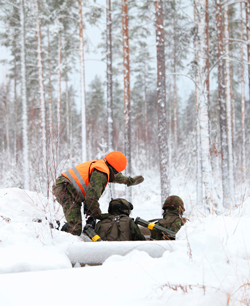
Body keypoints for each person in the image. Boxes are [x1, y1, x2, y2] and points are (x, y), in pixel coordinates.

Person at [52, 151, 144, 236]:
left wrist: (129, 181)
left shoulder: (102, 166)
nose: (117, 174)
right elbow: (91, 198)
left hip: (68, 187)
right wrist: (99, 215)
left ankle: (89, 224)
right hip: (65, 189)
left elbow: (115, 177)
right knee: (75, 228)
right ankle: (54, 230)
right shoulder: (101, 174)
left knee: (90, 209)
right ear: (114, 169)